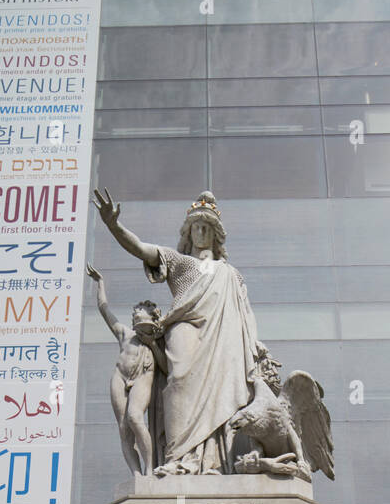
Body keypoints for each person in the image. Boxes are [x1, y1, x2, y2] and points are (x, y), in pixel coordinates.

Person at [92, 188, 261, 475]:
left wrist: (255, 345)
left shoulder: (230, 273)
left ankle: (213, 461)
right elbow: (141, 249)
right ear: (189, 231)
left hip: (224, 337)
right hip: (183, 326)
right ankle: (178, 458)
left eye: (207, 227)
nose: (201, 231)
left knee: (227, 389)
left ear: (216, 234)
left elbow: (246, 314)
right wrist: (113, 225)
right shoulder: (180, 261)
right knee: (178, 381)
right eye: (197, 226)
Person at [86, 263, 167, 473]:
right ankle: (136, 473)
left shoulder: (158, 340)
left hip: (142, 378)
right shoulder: (124, 333)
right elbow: (104, 309)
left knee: (135, 418)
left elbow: (166, 368)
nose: (137, 313)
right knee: (124, 429)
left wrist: (151, 343)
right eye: (136, 312)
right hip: (120, 377)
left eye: (142, 311)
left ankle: (149, 470)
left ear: (152, 316)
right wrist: (100, 283)